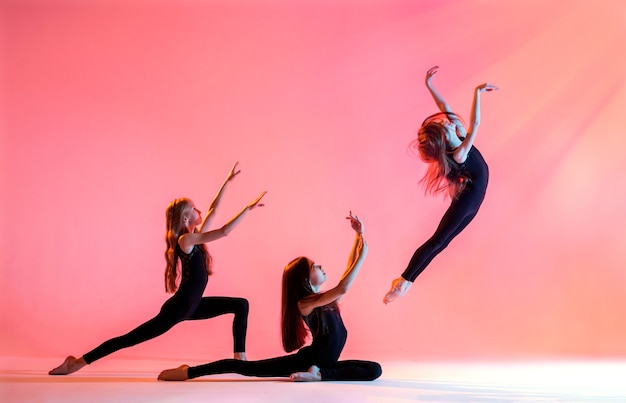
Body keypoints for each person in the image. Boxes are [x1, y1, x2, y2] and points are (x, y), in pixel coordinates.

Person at [49, 162, 266, 375]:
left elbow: (213, 209)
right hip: (178, 308)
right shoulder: (186, 241)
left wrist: (226, 182)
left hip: (192, 306)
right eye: (193, 208)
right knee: (129, 339)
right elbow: (224, 231)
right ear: (185, 217)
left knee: (240, 305)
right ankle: (76, 363)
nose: (199, 210)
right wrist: (247, 209)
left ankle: (241, 360)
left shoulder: (194, 238)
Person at [157, 212, 381, 382]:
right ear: (304, 278)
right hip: (307, 360)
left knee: (374, 369)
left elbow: (345, 278)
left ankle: (319, 373)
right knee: (247, 368)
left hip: (324, 362)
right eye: (314, 266)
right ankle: (188, 372)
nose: (321, 266)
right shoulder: (305, 304)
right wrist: (363, 256)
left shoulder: (323, 300)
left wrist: (359, 236)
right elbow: (343, 287)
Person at [384, 66, 498, 304]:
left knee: (443, 242)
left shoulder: (455, 130)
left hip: (476, 197)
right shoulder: (458, 153)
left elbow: (443, 106)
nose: (447, 122)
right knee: (438, 240)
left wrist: (430, 85)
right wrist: (477, 92)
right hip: (470, 198)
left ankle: (406, 282)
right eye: (444, 126)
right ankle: (404, 281)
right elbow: (476, 123)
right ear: (445, 138)